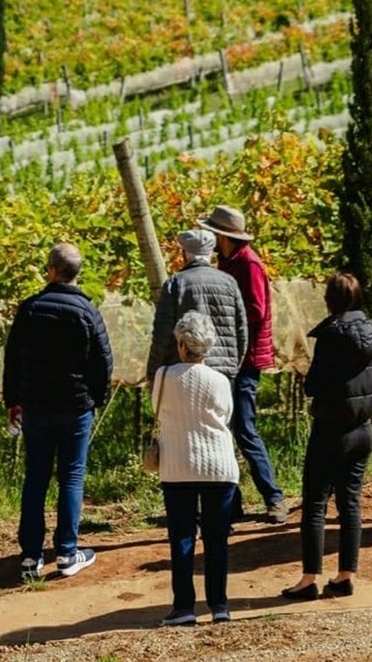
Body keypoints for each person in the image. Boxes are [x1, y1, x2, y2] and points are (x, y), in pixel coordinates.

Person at [4, 243, 114, 579]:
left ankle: (30, 558)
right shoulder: (87, 311)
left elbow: (13, 359)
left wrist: (14, 400)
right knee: (71, 477)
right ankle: (67, 553)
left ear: (51, 270)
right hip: (75, 407)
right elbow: (103, 361)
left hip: (37, 408)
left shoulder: (30, 308)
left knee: (35, 478)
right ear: (76, 273)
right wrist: (92, 397)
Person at [281, 273, 372, 601]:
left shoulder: (332, 335)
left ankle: (309, 578)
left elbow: (313, 385)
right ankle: (345, 575)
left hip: (330, 429)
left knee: (314, 504)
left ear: (330, 300)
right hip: (363, 429)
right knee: (350, 503)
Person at [199, 205, 287, 523]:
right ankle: (231, 504)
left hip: (245, 359)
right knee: (224, 429)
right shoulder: (228, 261)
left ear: (223, 235)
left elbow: (257, 311)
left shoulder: (247, 264)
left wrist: (221, 323)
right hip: (229, 355)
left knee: (245, 430)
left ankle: (274, 498)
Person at [154, 311, 239, 625]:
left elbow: (156, 409)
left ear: (181, 343)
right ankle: (219, 605)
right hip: (219, 467)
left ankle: (184, 607)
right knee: (216, 539)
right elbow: (226, 416)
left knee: (182, 537)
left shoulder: (164, 377)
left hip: (177, 466)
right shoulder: (220, 380)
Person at [146, 229, 247, 383]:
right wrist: (233, 366)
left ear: (184, 254)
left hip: (183, 373)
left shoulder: (175, 284)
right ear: (211, 254)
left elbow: (162, 333)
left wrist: (154, 372)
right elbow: (241, 331)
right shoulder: (229, 283)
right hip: (222, 373)